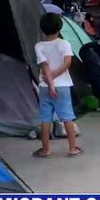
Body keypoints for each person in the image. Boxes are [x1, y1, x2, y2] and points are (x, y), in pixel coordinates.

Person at [33, 13, 82, 158]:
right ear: (60, 27)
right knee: (67, 117)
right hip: (63, 85)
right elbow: (67, 64)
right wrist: (54, 81)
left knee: (45, 118)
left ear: (42, 29)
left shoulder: (39, 46)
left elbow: (44, 67)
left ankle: (46, 149)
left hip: (44, 86)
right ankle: (73, 148)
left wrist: (49, 82)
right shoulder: (64, 43)